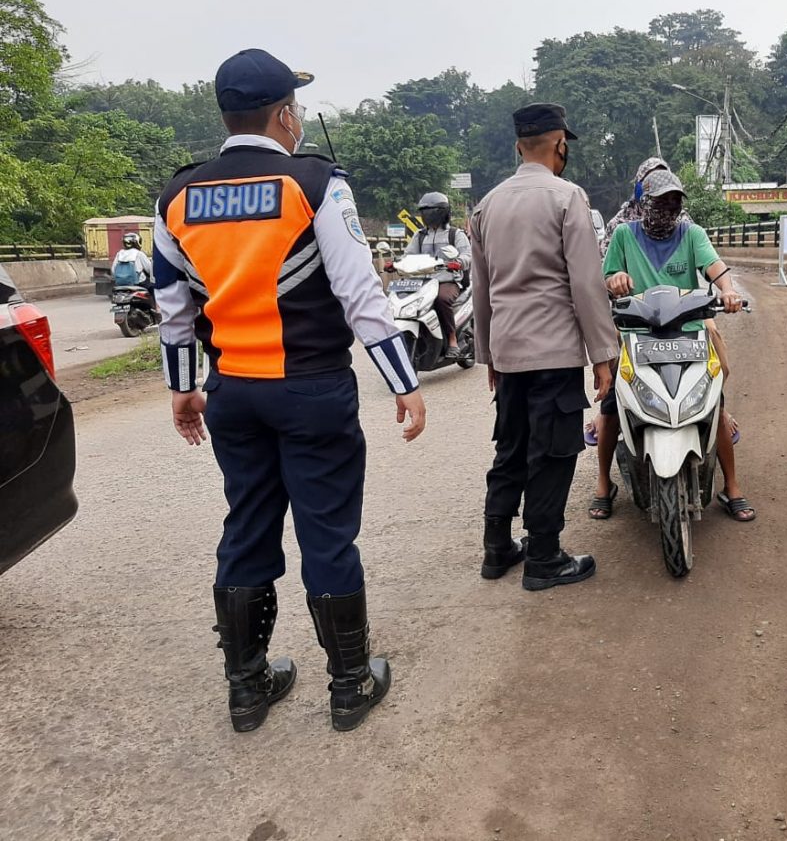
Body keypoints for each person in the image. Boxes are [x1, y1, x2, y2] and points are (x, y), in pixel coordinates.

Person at [153, 48, 427, 733]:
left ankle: (247, 689)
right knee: (327, 534)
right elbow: (359, 292)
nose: (298, 119)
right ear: (282, 115)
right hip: (310, 389)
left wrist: (185, 389)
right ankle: (349, 684)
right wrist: (403, 382)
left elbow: (173, 308)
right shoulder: (315, 183)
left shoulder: (176, 196)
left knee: (246, 527)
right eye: (295, 108)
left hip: (234, 395)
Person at [470, 102, 618, 591]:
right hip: (553, 353)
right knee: (551, 454)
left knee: (510, 448)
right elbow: (586, 283)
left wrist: (489, 356)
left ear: (518, 145)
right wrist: (603, 354)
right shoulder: (567, 197)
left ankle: (497, 549)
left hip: (509, 352)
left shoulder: (486, 205)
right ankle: (545, 557)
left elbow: (482, 288)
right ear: (559, 145)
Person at [594, 169, 755, 523]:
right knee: (610, 410)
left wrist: (727, 290)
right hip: (637, 335)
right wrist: (615, 279)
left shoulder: (692, 233)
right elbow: (606, 279)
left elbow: (715, 267)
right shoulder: (623, 234)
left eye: (674, 201)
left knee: (715, 404)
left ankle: (732, 486)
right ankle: (604, 485)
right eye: (660, 201)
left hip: (688, 333)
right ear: (643, 203)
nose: (668, 208)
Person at [401, 192, 471, 358]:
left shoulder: (455, 234)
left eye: (432, 211)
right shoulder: (419, 235)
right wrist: (395, 264)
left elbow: (468, 254)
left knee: (441, 299)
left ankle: (452, 339)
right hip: (422, 282)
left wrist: (459, 262)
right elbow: (408, 255)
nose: (428, 215)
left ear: (443, 213)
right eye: (425, 212)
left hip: (447, 281)